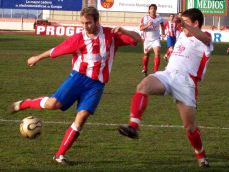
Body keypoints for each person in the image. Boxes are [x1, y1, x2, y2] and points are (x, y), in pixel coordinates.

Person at [10, 6, 141, 165]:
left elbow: (137, 39)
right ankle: (25, 103)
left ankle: (60, 155)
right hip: (78, 78)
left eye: (88, 23)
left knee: (82, 118)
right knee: (53, 104)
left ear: (97, 21)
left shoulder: (111, 35)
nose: (85, 26)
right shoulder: (79, 37)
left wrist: (125, 31)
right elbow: (57, 50)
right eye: (83, 23)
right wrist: (37, 57)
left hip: (97, 85)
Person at [118, 8, 213, 168]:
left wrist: (185, 25)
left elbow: (203, 37)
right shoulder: (182, 34)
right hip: (168, 75)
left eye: (186, 22)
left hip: (186, 82)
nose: (182, 25)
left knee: (190, 128)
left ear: (196, 24)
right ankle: (133, 126)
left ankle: (201, 156)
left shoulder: (205, 39)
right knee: (143, 86)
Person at [140, 4, 165, 76]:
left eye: (154, 8)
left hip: (156, 39)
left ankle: (155, 71)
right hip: (147, 40)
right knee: (146, 54)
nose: (153, 10)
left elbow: (162, 25)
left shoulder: (159, 18)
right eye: (151, 8)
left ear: (156, 10)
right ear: (149, 10)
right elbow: (141, 28)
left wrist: (163, 32)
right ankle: (145, 67)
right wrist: (148, 25)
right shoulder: (145, 18)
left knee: (157, 52)